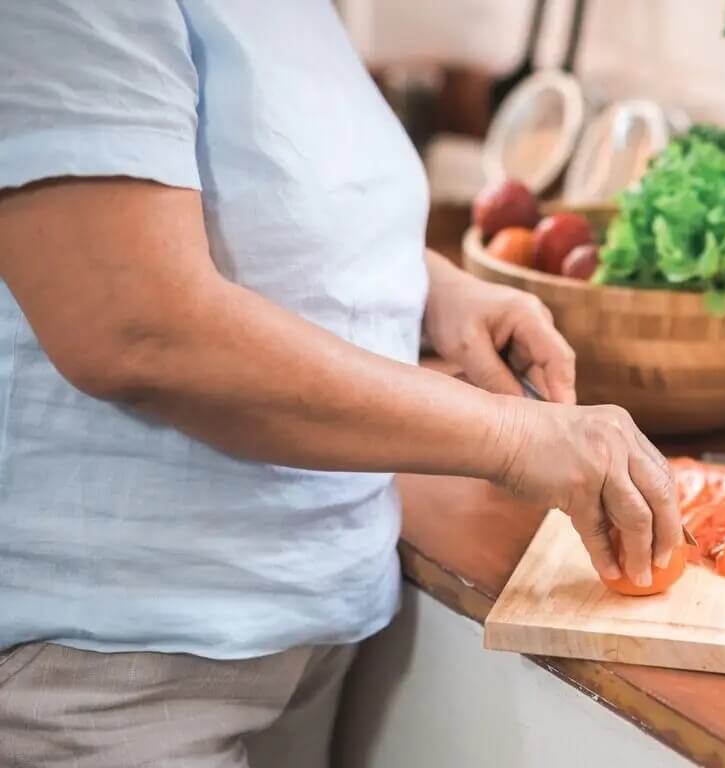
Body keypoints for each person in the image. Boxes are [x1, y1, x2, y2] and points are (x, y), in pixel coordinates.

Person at [0, 3, 680, 766]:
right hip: (109, 670)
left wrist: (432, 288)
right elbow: (135, 326)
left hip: (308, 631)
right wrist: (512, 436)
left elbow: (257, 194)